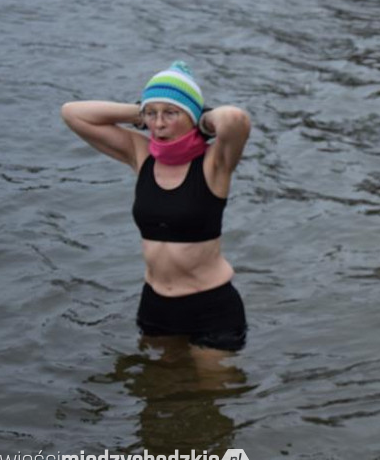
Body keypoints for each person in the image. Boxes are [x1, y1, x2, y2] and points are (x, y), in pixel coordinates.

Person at [60, 61, 251, 356]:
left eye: (171, 114)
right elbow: (72, 113)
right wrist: (142, 112)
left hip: (211, 307)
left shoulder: (215, 163)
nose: (159, 124)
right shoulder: (141, 154)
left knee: (208, 398)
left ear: (191, 116)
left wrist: (202, 118)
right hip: (156, 305)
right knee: (155, 395)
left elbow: (235, 119)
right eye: (153, 115)